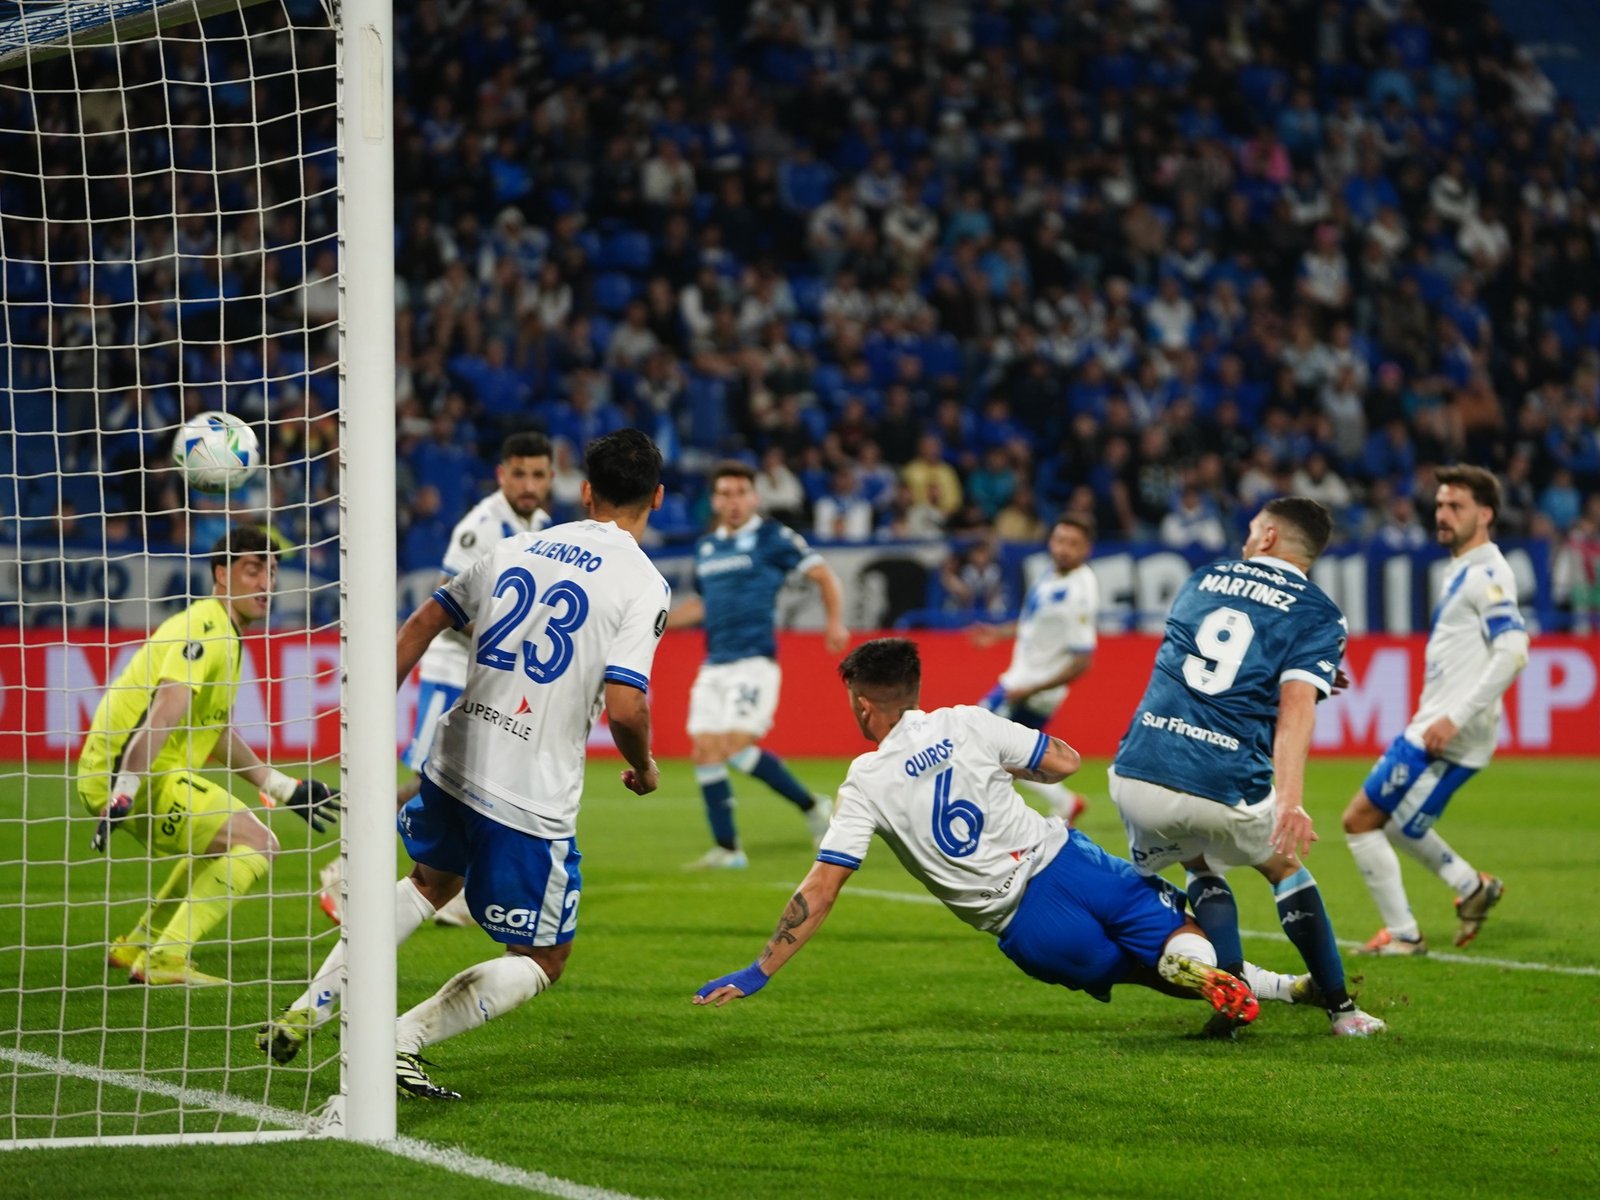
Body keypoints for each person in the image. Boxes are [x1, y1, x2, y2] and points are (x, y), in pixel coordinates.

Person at [258, 430, 668, 1100]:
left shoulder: (518, 545)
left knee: (427, 882)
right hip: (527, 791)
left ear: (585, 491)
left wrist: (365, 712)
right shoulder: (644, 583)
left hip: (452, 759)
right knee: (543, 956)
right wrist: (644, 767)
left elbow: (423, 621)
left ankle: (312, 1005)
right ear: (656, 496)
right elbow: (626, 708)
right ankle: (396, 1042)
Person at [694, 639, 1314, 1030]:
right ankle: (1261, 980)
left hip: (1026, 925)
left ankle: (1270, 987)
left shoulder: (863, 782)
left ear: (862, 705)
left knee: (1148, 971)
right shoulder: (967, 722)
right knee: (1180, 933)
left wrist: (759, 970)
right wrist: (1011, 763)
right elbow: (1066, 762)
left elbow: (822, 888)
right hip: (1070, 861)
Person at [1108, 497, 1386, 1037]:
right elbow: (1295, 708)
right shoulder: (1319, 612)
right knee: (1284, 867)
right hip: (1220, 780)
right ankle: (1342, 1010)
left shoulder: (1203, 578)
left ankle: (1230, 1002)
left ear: (1267, 538)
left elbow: (1207, 663)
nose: (1245, 539)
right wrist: (1291, 799)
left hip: (1137, 769)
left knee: (1197, 863)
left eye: (1252, 530)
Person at [78, 526, 341, 985]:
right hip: (136, 775)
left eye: (273, 572)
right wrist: (125, 790)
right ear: (222, 573)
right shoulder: (204, 630)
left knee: (218, 841)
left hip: (138, 773)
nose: (266, 584)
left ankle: (139, 944)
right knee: (259, 844)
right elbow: (165, 712)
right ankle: (165, 959)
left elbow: (214, 733)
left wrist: (284, 787)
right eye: (253, 570)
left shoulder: (223, 632)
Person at [319, 430, 553, 929]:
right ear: (501, 474)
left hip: (492, 679)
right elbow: (449, 603)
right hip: (453, 671)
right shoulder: (482, 527)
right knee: (427, 779)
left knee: (475, 784)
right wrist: (512, 643)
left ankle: (451, 886)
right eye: (519, 473)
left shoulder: (544, 526)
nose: (528, 484)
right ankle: (344, 871)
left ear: (551, 477)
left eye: (538, 474)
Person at [1343, 465, 1528, 954]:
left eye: (1456, 507)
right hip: (1444, 723)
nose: (1442, 515)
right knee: (1402, 822)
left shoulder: (1487, 574)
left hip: (1444, 728)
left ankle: (1404, 934)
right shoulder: (1463, 567)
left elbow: (1513, 649)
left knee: (1360, 820)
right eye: (1441, 505)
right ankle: (1472, 887)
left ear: (1485, 514)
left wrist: (1455, 716)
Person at [667, 460, 850, 868]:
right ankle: (729, 850)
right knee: (705, 751)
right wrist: (656, 624)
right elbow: (702, 603)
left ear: (755, 497)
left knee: (734, 745)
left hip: (754, 661)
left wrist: (834, 621)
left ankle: (810, 805)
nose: (733, 501)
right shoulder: (706, 547)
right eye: (725, 493)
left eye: (740, 493)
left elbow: (822, 574)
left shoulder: (773, 537)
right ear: (714, 500)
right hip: (714, 663)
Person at [969, 513, 1100, 825]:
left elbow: (1083, 661)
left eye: (1073, 544)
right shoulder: (1050, 575)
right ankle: (1065, 802)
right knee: (1005, 755)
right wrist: (998, 632)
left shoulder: (1081, 591)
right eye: (1059, 540)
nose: (1063, 548)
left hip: (1031, 690)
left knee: (975, 739)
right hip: (1019, 681)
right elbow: (1033, 622)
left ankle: (983, 819)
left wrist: (1031, 689)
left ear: (1086, 550)